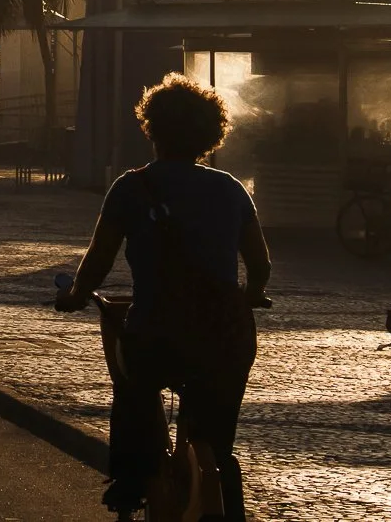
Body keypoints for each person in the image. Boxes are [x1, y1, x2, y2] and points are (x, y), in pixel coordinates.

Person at [56, 73, 271, 520]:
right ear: (210, 134)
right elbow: (260, 264)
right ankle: (216, 467)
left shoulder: (131, 188)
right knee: (218, 425)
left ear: (151, 128)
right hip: (225, 336)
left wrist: (77, 294)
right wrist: (252, 293)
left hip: (157, 328)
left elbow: (99, 259)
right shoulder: (230, 188)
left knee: (134, 391)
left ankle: (130, 483)